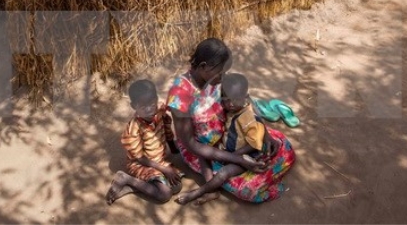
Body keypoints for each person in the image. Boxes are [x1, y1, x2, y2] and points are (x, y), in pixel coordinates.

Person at [167, 38, 296, 204]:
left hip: (232, 133)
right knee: (249, 190)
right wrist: (238, 159)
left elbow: (245, 99)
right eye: (220, 73)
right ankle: (211, 186)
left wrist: (265, 134)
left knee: (281, 145)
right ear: (203, 66)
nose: (223, 78)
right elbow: (192, 145)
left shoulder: (215, 77)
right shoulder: (180, 96)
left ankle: (240, 167)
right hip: (204, 151)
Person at [175, 72, 278, 205]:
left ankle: (198, 192)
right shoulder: (233, 105)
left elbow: (254, 144)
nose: (230, 104)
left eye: (234, 100)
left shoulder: (247, 117)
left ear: (245, 98)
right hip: (228, 149)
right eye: (226, 100)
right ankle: (212, 191)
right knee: (202, 152)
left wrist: (234, 156)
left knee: (224, 173)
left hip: (248, 155)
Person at [106, 79, 183, 205]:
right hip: (142, 164)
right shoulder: (133, 129)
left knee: (176, 186)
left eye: (152, 104)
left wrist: (174, 151)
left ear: (156, 99)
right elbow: (140, 159)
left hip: (159, 160)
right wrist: (164, 169)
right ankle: (127, 179)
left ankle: (133, 187)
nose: (149, 110)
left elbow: (168, 131)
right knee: (165, 194)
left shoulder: (160, 113)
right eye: (143, 107)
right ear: (133, 106)